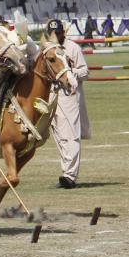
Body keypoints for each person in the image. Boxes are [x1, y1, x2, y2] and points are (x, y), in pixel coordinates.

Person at [46, 19, 91, 189]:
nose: (55, 36)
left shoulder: (73, 48)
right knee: (58, 134)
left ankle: (70, 176)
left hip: (70, 95)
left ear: (63, 32)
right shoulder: (48, 49)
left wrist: (69, 72)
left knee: (71, 133)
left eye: (58, 32)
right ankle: (66, 171)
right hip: (52, 93)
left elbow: (85, 71)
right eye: (52, 33)